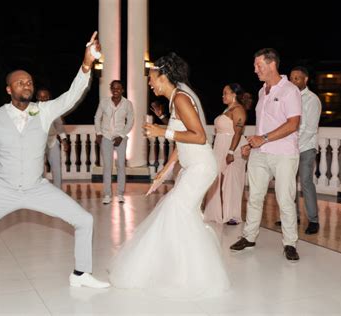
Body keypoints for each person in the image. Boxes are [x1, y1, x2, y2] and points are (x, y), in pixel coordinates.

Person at [0, 32, 110, 315]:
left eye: (29, 81)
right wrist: (5, 182)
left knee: (85, 219)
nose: (26, 85)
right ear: (9, 89)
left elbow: (71, 97)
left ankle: (81, 274)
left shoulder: (42, 112)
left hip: (37, 187)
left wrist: (87, 64)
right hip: (3, 188)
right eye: (20, 82)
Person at [108, 52, 230, 299]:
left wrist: (162, 131)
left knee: (176, 212)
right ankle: (186, 272)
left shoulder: (182, 99)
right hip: (192, 167)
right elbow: (181, 144)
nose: (150, 82)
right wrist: (163, 172)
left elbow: (199, 136)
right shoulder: (176, 100)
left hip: (201, 168)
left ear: (164, 76)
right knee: (184, 216)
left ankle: (194, 276)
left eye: (152, 77)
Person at [230, 48, 302, 261]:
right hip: (260, 153)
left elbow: (293, 124)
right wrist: (252, 144)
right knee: (254, 197)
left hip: (284, 154)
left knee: (285, 199)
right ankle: (249, 236)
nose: (255, 70)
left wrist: (265, 139)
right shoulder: (262, 91)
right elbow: (264, 126)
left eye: (258, 65)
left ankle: (290, 243)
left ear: (272, 64)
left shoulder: (290, 90)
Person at [276, 66, 321, 235]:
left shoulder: (312, 100)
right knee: (288, 184)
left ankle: (314, 220)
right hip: (289, 148)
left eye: (297, 78)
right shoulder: (289, 98)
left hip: (305, 148)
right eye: (292, 78)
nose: (293, 81)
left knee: (306, 184)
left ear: (305, 79)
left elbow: (310, 129)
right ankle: (292, 217)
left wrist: (294, 146)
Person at [204, 83, 248, 225]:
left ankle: (232, 215)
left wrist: (231, 151)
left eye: (226, 93)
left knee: (232, 182)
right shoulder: (227, 109)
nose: (223, 96)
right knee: (215, 179)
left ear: (234, 94)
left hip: (232, 147)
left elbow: (238, 132)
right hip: (220, 146)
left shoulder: (238, 109)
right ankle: (214, 213)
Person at [94, 80, 134, 204]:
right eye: (113, 88)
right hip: (106, 136)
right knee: (107, 167)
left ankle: (120, 194)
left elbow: (130, 121)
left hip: (120, 137)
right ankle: (107, 194)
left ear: (122, 90)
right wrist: (99, 133)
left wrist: (122, 135)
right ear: (111, 89)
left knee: (121, 166)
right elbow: (97, 117)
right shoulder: (104, 102)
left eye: (118, 88)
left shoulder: (127, 104)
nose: (116, 90)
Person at [36, 87, 70, 187]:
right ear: (37, 97)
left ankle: (58, 190)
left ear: (48, 97)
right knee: (39, 169)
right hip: (37, 143)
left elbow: (59, 125)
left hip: (52, 140)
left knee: (56, 167)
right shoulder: (31, 109)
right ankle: (40, 190)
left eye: (45, 97)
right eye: (41, 97)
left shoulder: (54, 109)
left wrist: (64, 140)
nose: (43, 99)